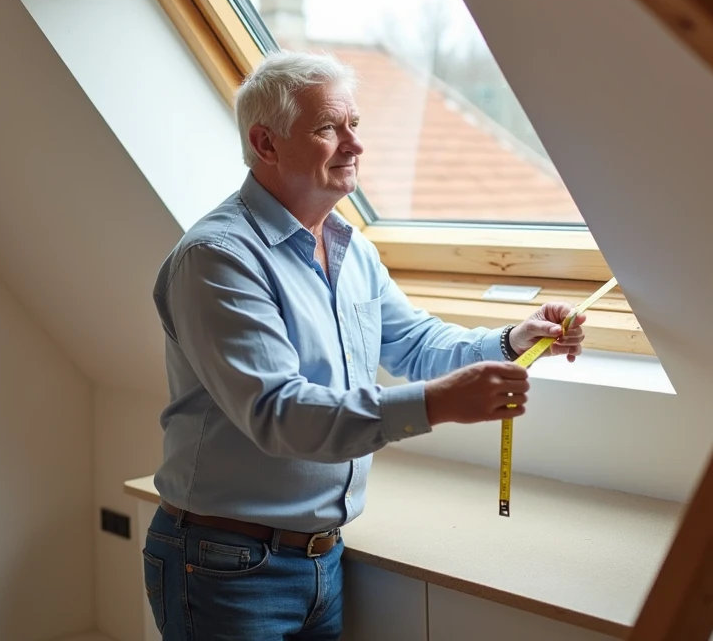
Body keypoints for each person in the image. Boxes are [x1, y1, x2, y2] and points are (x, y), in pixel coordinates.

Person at [144, 50, 586, 640]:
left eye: (355, 125)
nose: (354, 145)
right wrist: (435, 404)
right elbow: (281, 414)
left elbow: (413, 343)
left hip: (321, 559)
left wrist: (510, 341)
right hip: (224, 565)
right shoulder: (218, 260)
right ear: (266, 143)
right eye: (328, 127)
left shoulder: (351, 247)